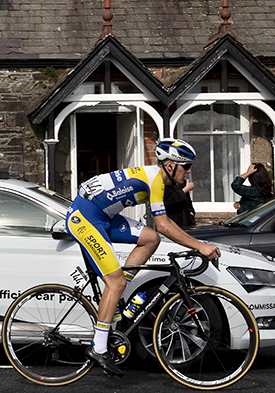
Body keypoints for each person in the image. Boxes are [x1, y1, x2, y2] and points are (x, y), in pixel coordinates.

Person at [65, 138, 220, 376]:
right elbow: (164, 225)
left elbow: (162, 228)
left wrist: (193, 242)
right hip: (85, 217)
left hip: (103, 215)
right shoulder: (156, 181)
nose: (188, 171)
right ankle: (98, 347)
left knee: (150, 239)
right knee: (114, 281)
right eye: (185, 165)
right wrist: (200, 246)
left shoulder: (159, 180)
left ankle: (117, 295)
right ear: (169, 165)